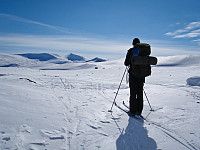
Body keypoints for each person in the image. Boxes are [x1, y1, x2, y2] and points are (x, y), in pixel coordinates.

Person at [124, 38, 145, 116]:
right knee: (140, 92)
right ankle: (139, 110)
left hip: (133, 75)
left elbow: (126, 63)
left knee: (133, 92)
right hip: (142, 75)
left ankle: (133, 111)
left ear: (133, 43)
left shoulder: (131, 51)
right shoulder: (143, 52)